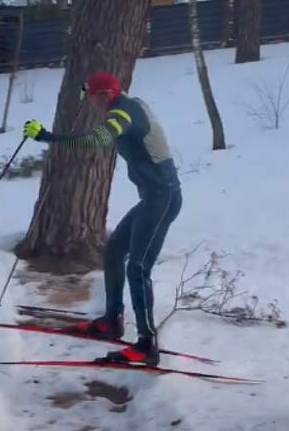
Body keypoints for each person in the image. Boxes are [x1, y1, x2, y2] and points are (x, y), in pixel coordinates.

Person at [23, 71, 182, 366]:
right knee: (113, 253)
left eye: (94, 99)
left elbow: (97, 140)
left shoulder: (123, 113)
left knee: (138, 268)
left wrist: (47, 137)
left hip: (163, 200)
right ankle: (112, 321)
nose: (92, 106)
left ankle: (147, 345)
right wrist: (85, 89)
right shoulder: (127, 105)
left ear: (106, 96)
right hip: (151, 200)